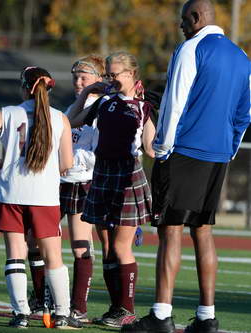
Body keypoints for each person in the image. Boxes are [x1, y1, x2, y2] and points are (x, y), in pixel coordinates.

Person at [122, 1, 251, 333]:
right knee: (204, 231)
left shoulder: (190, 48)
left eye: (183, 20)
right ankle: (207, 318)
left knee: (170, 230)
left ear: (196, 18)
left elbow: (174, 103)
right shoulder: (242, 56)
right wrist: (229, 149)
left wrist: (161, 149)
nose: (180, 26)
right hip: (218, 154)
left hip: (183, 151)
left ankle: (162, 316)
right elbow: (243, 113)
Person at [0, 66, 82, 329]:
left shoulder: (9, 113)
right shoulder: (59, 118)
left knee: (15, 254)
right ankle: (62, 314)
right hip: (44, 195)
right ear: (49, 89)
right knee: (53, 255)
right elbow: (67, 162)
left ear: (24, 87)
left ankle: (20, 314)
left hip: (12, 192)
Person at [70, 51, 156, 328]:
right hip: (103, 173)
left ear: (131, 74)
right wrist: (88, 93)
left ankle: (127, 310)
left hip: (128, 175)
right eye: (107, 74)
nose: (110, 79)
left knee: (121, 248)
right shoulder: (105, 101)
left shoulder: (142, 106)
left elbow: (153, 149)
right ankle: (115, 308)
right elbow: (72, 121)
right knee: (108, 247)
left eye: (114, 74)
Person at [27, 55, 105, 324]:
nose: (78, 81)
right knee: (34, 238)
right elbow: (66, 124)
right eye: (75, 77)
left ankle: (78, 307)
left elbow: (94, 149)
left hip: (83, 180)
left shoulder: (103, 108)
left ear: (99, 79)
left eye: (84, 77)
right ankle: (40, 299)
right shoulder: (76, 104)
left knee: (80, 245)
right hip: (58, 181)